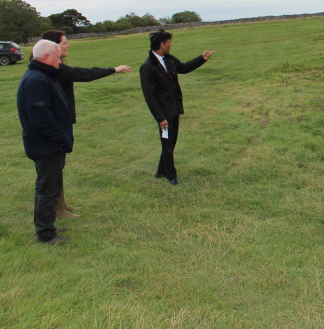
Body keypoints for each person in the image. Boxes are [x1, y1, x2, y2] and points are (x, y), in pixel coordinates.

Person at [38, 30, 132, 219]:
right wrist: (113, 69)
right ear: (54, 46)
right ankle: (58, 210)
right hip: (55, 126)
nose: (68, 45)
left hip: (62, 122)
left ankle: (61, 204)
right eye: (65, 43)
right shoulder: (54, 69)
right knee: (53, 168)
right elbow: (83, 74)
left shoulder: (57, 66)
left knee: (59, 166)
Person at [140, 30, 215, 186]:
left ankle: (160, 171)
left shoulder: (169, 59)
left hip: (174, 108)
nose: (171, 45)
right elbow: (150, 97)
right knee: (167, 144)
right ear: (162, 44)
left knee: (171, 142)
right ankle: (171, 176)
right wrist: (160, 118)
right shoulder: (147, 67)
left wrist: (202, 58)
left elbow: (184, 67)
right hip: (163, 113)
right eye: (169, 42)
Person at [17, 39, 73, 245]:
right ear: (47, 57)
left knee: (46, 188)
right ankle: (46, 235)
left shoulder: (42, 75)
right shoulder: (37, 80)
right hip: (46, 146)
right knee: (48, 190)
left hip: (49, 145)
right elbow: (40, 117)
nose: (60, 61)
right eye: (58, 57)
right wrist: (61, 138)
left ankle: (47, 227)